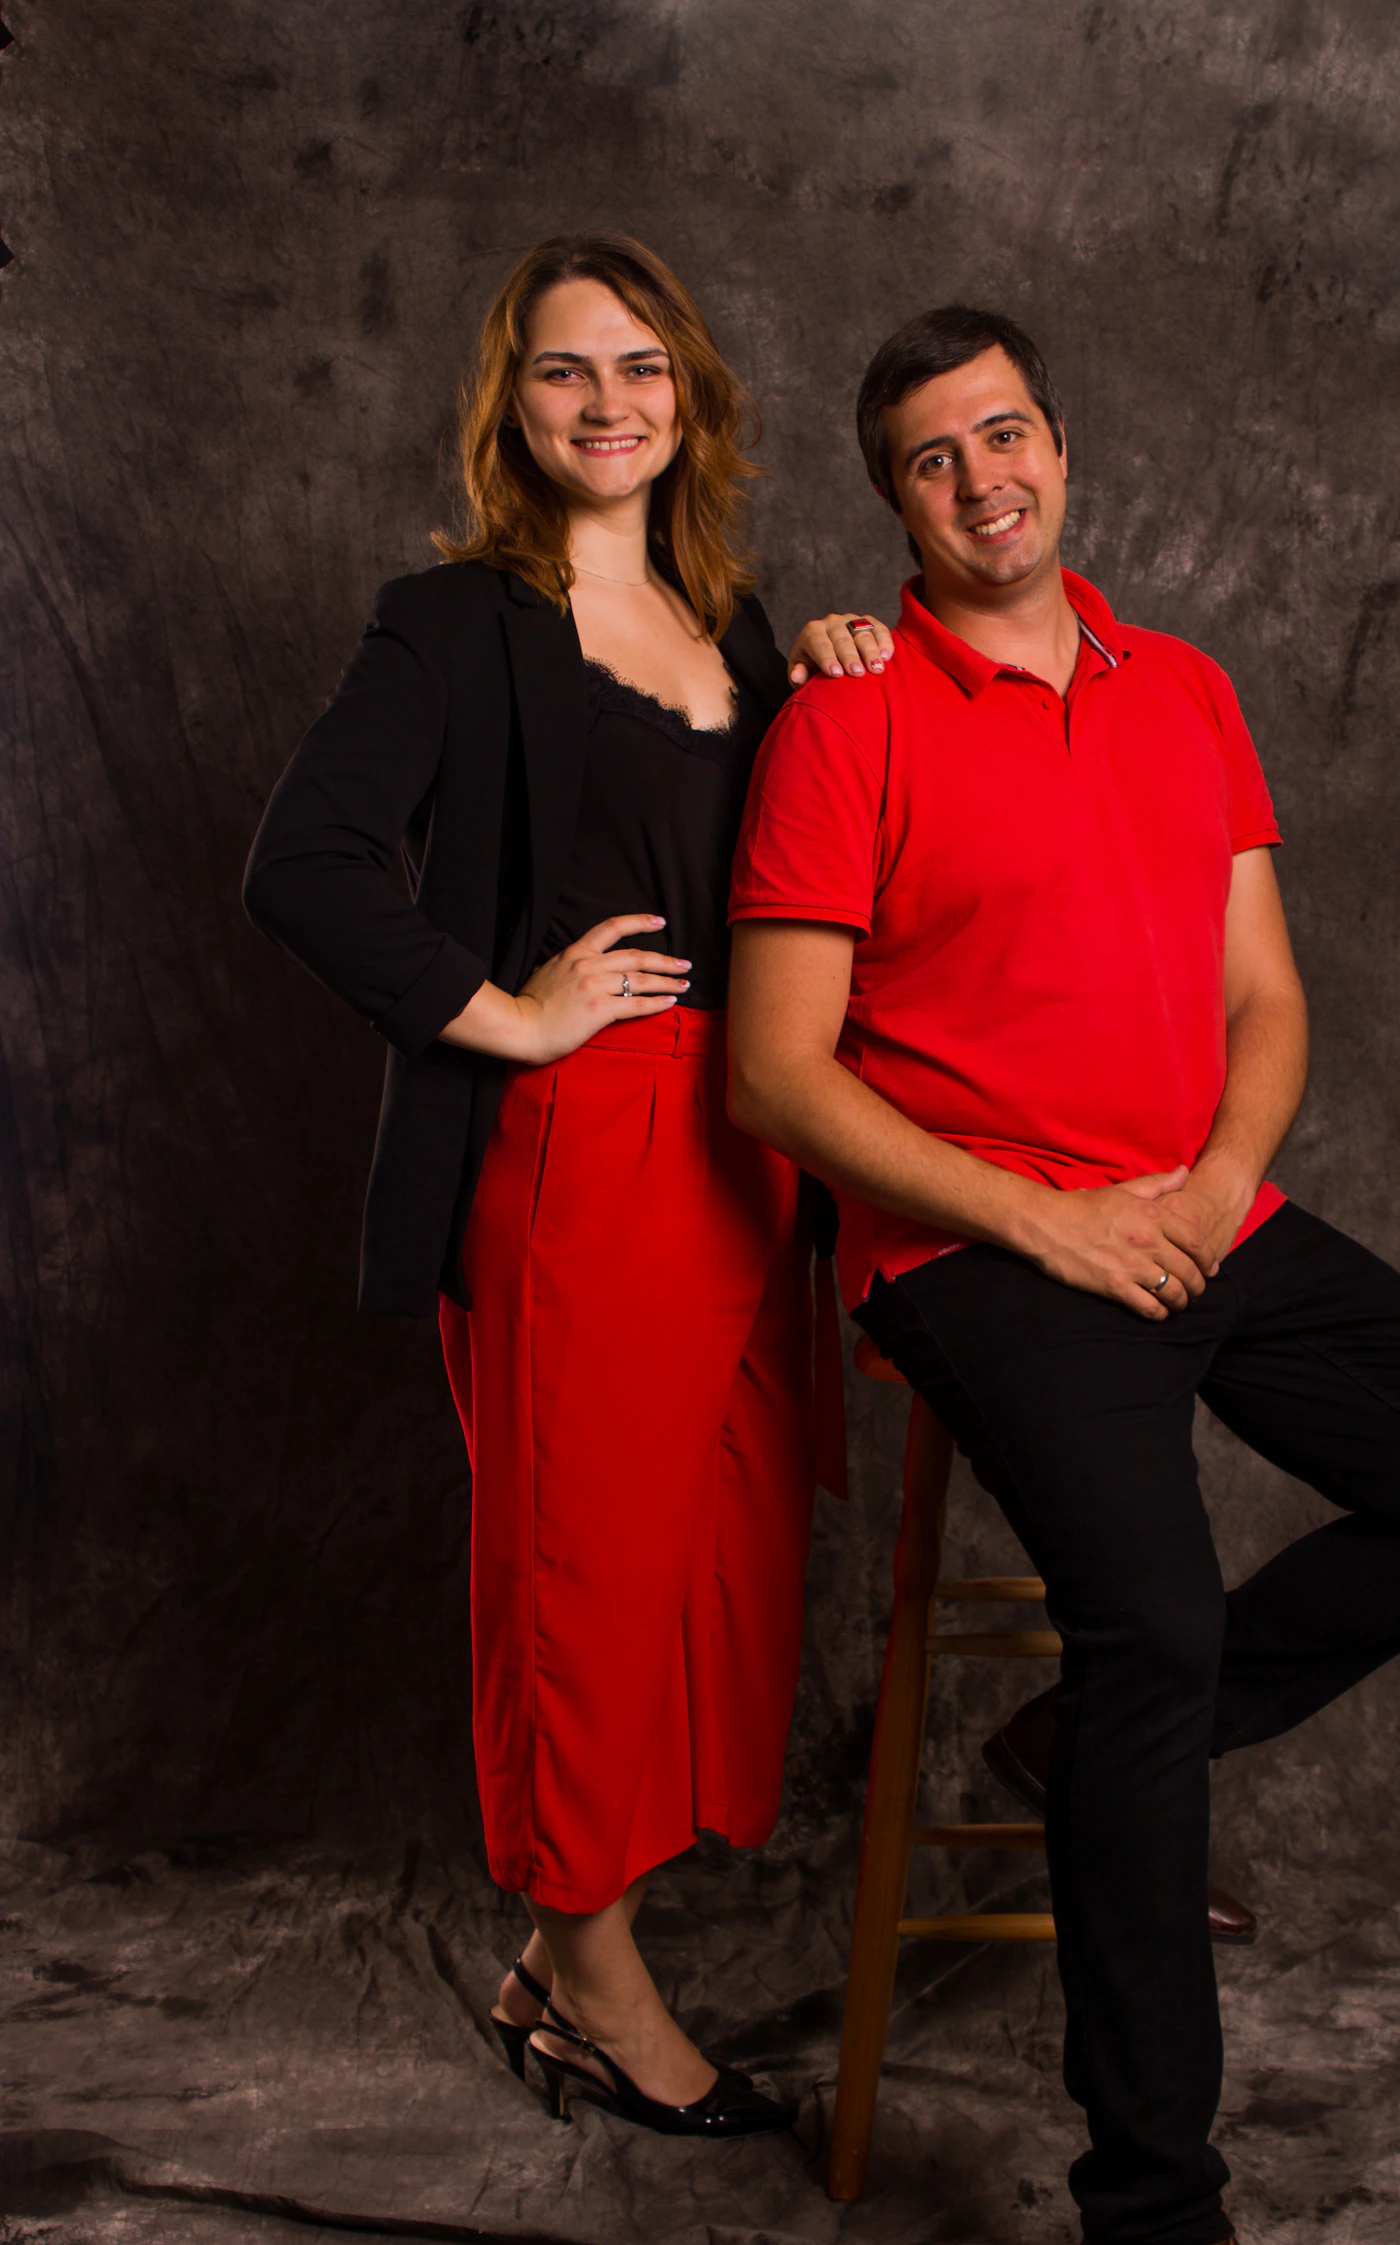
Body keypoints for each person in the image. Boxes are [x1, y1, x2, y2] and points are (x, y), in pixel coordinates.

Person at [725, 307, 1400, 2245]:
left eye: (1006, 433)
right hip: (978, 1241)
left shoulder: (1187, 687)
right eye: (934, 460)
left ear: (1059, 447)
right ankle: (1157, 2231)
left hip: (1197, 1202)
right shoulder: (848, 720)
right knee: (1153, 1617)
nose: (984, 479)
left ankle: (1113, 1741)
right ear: (897, 505)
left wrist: (1212, 1183)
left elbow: (1268, 996)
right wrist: (1051, 1221)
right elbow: (771, 1073)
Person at [243, 233, 894, 2141]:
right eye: (562, 374)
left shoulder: (743, 620)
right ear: (508, 407)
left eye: (639, 370)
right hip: (580, 1144)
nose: (606, 406)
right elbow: (306, 861)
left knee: (724, 1555)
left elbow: (799, 857)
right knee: (583, 1574)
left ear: (687, 393)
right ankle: (599, 1979)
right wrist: (506, 1018)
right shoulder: (454, 622)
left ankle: (562, 1947)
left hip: (747, 1144)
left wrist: (851, 669)